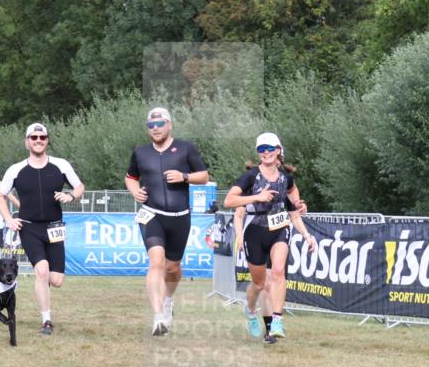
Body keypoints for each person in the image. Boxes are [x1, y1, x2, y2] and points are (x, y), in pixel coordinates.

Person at [224, 132, 317, 343]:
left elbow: (294, 210)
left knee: (277, 272)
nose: (265, 153)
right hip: (254, 231)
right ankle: (250, 310)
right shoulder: (250, 176)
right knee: (258, 284)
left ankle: (276, 321)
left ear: (278, 151)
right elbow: (229, 201)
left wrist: (307, 235)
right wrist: (258, 196)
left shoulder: (286, 179)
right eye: (261, 149)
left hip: (280, 229)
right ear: (258, 154)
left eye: (269, 148)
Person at [125, 107, 210, 336]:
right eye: (151, 125)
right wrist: (135, 192)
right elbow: (130, 177)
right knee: (156, 263)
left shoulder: (185, 148)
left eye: (160, 124)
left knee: (172, 268)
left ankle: (168, 300)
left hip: (180, 217)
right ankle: (158, 318)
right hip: (151, 215)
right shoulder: (140, 152)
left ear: (169, 124)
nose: (156, 128)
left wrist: (184, 176)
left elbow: (204, 176)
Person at [0, 123, 85, 335]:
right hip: (29, 228)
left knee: (56, 280)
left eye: (42, 137)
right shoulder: (15, 169)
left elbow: (80, 187)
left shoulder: (60, 165)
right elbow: (0, 195)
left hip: (54, 228)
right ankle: (46, 320)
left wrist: (71, 195)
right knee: (41, 271)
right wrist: (9, 219)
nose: (38, 140)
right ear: (27, 141)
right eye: (34, 137)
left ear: (47, 140)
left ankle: (43, 290)